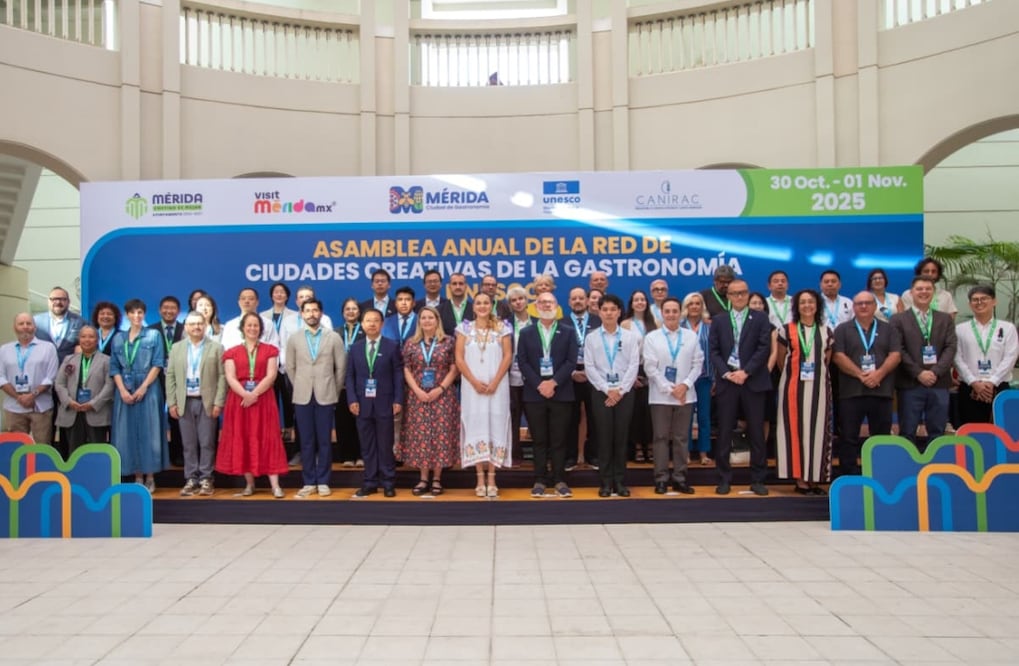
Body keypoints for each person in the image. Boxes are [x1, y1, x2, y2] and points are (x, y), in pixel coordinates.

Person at [708, 279, 773, 496]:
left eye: (742, 293)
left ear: (748, 294)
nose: (738, 297)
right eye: (734, 293)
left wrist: (746, 372)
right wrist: (727, 373)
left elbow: (764, 348)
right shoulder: (719, 320)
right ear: (728, 296)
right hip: (728, 383)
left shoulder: (761, 318)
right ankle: (724, 478)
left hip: (752, 381)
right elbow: (714, 351)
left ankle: (758, 479)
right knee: (725, 431)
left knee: (756, 431)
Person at [215, 312, 288, 498]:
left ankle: (275, 485)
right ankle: (249, 484)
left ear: (261, 329)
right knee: (244, 438)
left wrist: (254, 394)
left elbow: (271, 375)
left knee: (268, 438)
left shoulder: (270, 350)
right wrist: (245, 394)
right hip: (240, 401)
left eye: (256, 325)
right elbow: (230, 377)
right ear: (242, 328)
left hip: (263, 399)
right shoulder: (231, 352)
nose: (252, 329)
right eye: (249, 325)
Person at [832, 291, 902, 476]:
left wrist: (878, 374)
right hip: (851, 391)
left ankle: (880, 473)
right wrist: (860, 375)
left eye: (867, 303)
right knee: (848, 436)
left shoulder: (889, 329)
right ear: (853, 307)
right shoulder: (842, 329)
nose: (863, 306)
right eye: (859, 303)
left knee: (880, 437)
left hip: (881, 390)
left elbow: (895, 354)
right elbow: (838, 356)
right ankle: (849, 474)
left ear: (874, 306)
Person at [517, 292, 578, 498]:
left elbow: (571, 361)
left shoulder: (568, 331)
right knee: (540, 440)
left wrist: (553, 382)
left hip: (561, 392)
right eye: (542, 302)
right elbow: (522, 362)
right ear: (536, 306)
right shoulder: (526, 333)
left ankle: (560, 479)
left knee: (559, 440)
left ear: (557, 305)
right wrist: (539, 384)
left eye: (550, 302)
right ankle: (540, 479)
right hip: (534, 394)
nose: (546, 305)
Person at [287, 298, 347, 498]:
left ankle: (323, 481)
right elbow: (290, 367)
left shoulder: (334, 337)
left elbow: (341, 368)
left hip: (326, 394)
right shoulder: (294, 338)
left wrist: (334, 390)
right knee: (306, 441)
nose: (311, 314)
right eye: (308, 311)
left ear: (321, 313)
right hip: (303, 395)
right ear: (302, 314)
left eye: (315, 310)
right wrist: (301, 384)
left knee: (324, 440)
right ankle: (308, 481)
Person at [776, 289, 834, 494]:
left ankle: (815, 479)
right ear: (796, 306)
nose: (807, 306)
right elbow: (781, 360)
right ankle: (800, 479)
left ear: (817, 305)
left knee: (818, 432)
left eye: (811, 302)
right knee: (795, 431)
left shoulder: (826, 331)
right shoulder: (786, 330)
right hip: (793, 388)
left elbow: (827, 359)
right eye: (802, 302)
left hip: (819, 388)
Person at [644, 297, 704, 494]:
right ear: (662, 313)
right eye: (667, 311)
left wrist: (684, 385)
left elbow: (698, 363)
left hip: (686, 395)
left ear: (680, 313)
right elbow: (650, 367)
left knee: (681, 438)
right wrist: (671, 389)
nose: (671, 314)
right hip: (661, 396)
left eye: (674, 311)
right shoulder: (652, 338)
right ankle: (661, 478)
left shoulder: (691, 337)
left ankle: (680, 477)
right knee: (660, 437)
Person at [398, 306, 459, 496]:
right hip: (418, 397)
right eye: (423, 318)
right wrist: (416, 390)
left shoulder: (448, 341)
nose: (426, 321)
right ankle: (423, 478)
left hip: (442, 396)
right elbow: (406, 368)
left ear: (437, 320)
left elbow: (454, 367)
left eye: (430, 318)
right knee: (422, 436)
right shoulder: (410, 343)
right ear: (419, 322)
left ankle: (437, 479)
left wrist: (440, 389)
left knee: (440, 435)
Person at [455, 292, 512, 497]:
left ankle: (492, 477)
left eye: (486, 303)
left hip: (497, 387)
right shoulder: (464, 329)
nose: (482, 306)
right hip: (473, 388)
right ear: (473, 307)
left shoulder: (502, 327)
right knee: (476, 426)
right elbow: (459, 359)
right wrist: (474, 382)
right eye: (478, 303)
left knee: (494, 425)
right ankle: (479, 476)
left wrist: (495, 381)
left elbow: (507, 356)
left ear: (492, 305)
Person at [584, 294, 640, 497]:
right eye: (604, 309)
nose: (608, 313)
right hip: (601, 393)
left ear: (619, 312)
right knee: (604, 437)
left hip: (625, 393)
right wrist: (608, 390)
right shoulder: (591, 338)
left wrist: (621, 390)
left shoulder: (630, 337)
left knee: (621, 437)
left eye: (612, 309)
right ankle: (605, 482)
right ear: (599, 312)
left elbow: (634, 366)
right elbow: (589, 367)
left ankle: (620, 481)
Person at [891, 276, 958, 445]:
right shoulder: (898, 319)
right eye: (919, 289)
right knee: (907, 432)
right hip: (910, 383)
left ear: (933, 292)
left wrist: (935, 372)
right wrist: (919, 373)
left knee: (937, 431)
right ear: (911, 292)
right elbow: (898, 349)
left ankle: (938, 467)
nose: (924, 292)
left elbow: (950, 347)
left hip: (939, 382)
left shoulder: (945, 319)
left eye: (928, 289)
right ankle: (906, 467)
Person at [110, 299, 167, 491]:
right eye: (133, 313)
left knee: (149, 431)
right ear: (127, 315)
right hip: (124, 390)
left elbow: (158, 363)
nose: (137, 316)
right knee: (127, 433)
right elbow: (114, 367)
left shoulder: (153, 335)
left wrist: (143, 387)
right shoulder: (118, 339)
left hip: (148, 388)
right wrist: (122, 390)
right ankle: (137, 476)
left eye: (140, 312)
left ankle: (150, 476)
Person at [166, 311, 226, 496]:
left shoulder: (216, 347)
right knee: (188, 443)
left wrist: (219, 402)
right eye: (192, 324)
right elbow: (171, 376)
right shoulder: (176, 348)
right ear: (186, 327)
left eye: (200, 323)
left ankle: (207, 478)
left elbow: (222, 377)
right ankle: (191, 478)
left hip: (206, 401)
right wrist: (171, 403)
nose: (196, 327)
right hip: (184, 402)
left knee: (207, 442)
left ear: (205, 326)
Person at [345, 308, 403, 498]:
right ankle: (369, 482)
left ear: (382, 324)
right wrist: (352, 399)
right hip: (361, 404)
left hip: (385, 402)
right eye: (368, 320)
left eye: (376, 320)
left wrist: (398, 399)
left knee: (385, 445)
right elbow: (350, 376)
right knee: (367, 446)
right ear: (362, 324)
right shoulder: (355, 348)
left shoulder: (392, 346)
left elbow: (397, 374)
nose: (371, 324)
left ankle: (388, 482)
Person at [954, 285, 1019, 425]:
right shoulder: (960, 329)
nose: (979, 303)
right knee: (971, 433)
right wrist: (974, 382)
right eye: (975, 300)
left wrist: (992, 382)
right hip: (969, 388)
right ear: (969, 304)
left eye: (984, 299)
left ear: (994, 301)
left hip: (999, 387)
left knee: (1001, 432)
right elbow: (957, 358)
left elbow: (1011, 357)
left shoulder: (1007, 328)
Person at [0, 313, 59, 444]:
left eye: (29, 323)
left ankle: (42, 465)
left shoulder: (48, 348)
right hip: (14, 407)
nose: (25, 327)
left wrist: (32, 395)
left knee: (42, 446)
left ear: (35, 327)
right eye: (21, 324)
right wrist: (19, 397)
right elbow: (1, 378)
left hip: (40, 406)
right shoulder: (4, 350)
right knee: (15, 447)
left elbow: (51, 377)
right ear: (15, 327)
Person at [54, 325, 113, 452]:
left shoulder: (106, 361)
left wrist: (93, 404)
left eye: (91, 337)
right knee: (74, 452)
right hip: (72, 411)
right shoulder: (69, 360)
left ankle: (97, 473)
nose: (87, 340)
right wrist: (69, 401)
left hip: (96, 412)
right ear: (79, 339)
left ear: (97, 340)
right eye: (83, 336)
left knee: (98, 452)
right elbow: (59, 383)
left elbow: (109, 386)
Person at [565, 286, 601, 470]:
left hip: (593, 374)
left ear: (587, 301)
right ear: (569, 302)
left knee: (595, 416)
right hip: (569, 374)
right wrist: (571, 372)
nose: (578, 301)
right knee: (571, 418)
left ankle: (593, 455)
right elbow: (558, 352)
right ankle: (571, 456)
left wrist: (591, 372)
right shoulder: (562, 322)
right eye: (574, 298)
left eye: (581, 298)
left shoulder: (598, 321)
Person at [148, 295, 183, 466]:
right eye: (166, 308)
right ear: (160, 310)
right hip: (155, 378)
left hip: (179, 379)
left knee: (177, 416)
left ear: (178, 311)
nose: (169, 311)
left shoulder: (185, 330)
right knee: (154, 417)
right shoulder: (150, 331)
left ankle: (177, 454)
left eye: (173, 308)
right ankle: (156, 454)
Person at [622, 289, 656, 462]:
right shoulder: (625, 324)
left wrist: (653, 374)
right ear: (632, 303)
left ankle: (649, 446)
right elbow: (622, 352)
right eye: (636, 300)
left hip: (650, 370)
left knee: (650, 412)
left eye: (643, 299)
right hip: (632, 371)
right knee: (635, 412)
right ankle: (636, 447)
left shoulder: (655, 322)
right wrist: (631, 376)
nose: (640, 302)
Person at [262, 282, 298, 444]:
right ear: (271, 295)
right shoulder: (262, 316)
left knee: (289, 397)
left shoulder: (295, 315)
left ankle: (289, 429)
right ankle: (274, 429)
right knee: (271, 400)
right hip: (268, 363)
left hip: (287, 362)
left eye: (282, 292)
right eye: (276, 292)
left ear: (287, 296)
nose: (279, 295)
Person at [680, 292, 712, 466]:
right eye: (691, 303)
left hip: (705, 378)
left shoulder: (709, 327)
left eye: (697, 303)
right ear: (686, 307)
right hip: (685, 380)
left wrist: (714, 379)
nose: (694, 306)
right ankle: (685, 452)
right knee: (685, 417)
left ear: (702, 306)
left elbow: (714, 353)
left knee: (704, 417)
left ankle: (703, 452)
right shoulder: (680, 326)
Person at [335, 297, 364, 467]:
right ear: (343, 313)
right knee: (343, 419)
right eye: (348, 309)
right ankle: (347, 455)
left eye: (354, 309)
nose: (351, 312)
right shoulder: (335, 333)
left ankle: (361, 455)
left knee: (361, 419)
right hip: (341, 382)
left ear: (359, 312)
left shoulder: (366, 332)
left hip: (361, 382)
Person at [506, 286, 534, 465]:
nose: (518, 302)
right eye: (514, 300)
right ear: (510, 304)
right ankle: (514, 454)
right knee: (513, 417)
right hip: (510, 377)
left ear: (527, 300)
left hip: (533, 378)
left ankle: (540, 455)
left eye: (521, 299)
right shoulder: (505, 324)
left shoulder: (537, 322)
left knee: (535, 417)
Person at [34, 286, 84, 365]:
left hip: (69, 370)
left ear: (68, 302)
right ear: (48, 301)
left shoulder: (80, 322)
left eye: (62, 299)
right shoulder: (36, 322)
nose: (58, 302)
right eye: (54, 299)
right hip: (42, 370)